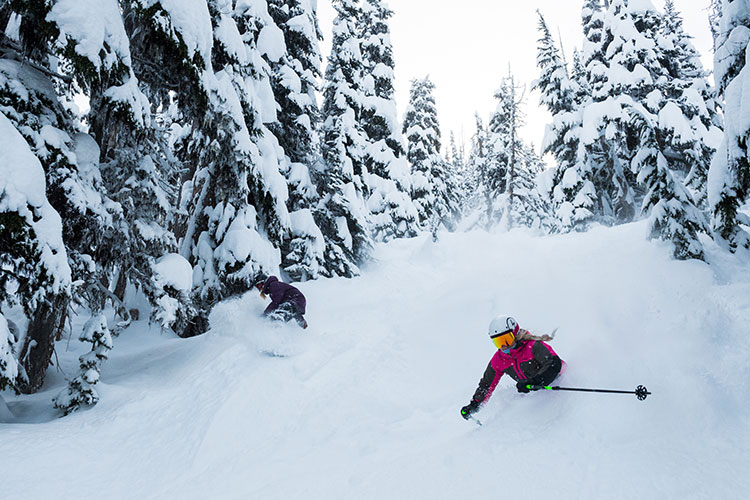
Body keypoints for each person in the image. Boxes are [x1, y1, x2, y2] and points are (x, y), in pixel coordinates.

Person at [461, 315, 563, 421]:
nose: (504, 346)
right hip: (539, 399)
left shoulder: (533, 346)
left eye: (506, 340)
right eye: (498, 342)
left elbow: (553, 364)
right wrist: (474, 404)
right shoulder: (499, 359)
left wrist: (535, 381)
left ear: (516, 334)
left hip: (559, 385)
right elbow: (487, 384)